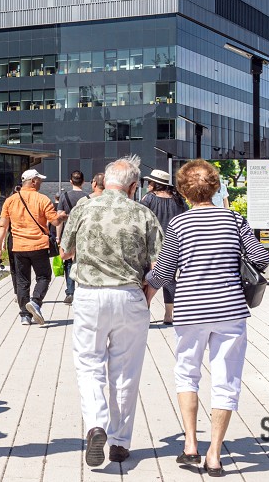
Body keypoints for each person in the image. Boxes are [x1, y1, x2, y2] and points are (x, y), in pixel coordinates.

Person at [146, 159, 269, 477]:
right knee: (226, 381)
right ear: (215, 187)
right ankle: (214, 454)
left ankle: (190, 444)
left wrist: (145, 296)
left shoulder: (179, 225)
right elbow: (260, 258)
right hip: (230, 311)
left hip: (190, 311)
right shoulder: (234, 219)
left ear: (185, 192)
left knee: (187, 374)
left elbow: (162, 272)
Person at [60, 156, 163, 467]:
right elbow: (159, 265)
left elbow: (65, 250)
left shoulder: (83, 208)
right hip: (130, 297)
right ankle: (119, 442)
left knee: (89, 365)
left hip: (90, 296)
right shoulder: (143, 213)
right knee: (125, 372)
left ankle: (95, 424)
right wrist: (148, 294)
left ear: (105, 182)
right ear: (133, 187)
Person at [0, 168, 63, 325]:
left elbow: (2, 226)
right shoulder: (43, 199)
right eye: (40, 180)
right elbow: (55, 222)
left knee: (22, 280)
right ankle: (36, 302)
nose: (41, 183)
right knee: (44, 276)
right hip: (38, 246)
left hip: (18, 247)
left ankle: (25, 315)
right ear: (33, 181)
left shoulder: (10, 201)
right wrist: (62, 217)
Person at [139, 168, 187, 324]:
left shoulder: (148, 199)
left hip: (151, 246)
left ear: (155, 183)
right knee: (170, 280)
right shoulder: (178, 200)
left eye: (149, 182)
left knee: (147, 278)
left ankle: (145, 308)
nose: (147, 185)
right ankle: (168, 315)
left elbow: (140, 220)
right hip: (174, 245)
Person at [56, 171, 90, 304]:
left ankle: (70, 292)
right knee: (83, 262)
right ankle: (83, 289)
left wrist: (58, 237)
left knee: (69, 262)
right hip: (83, 234)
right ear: (83, 181)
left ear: (70, 181)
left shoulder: (64, 197)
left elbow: (59, 218)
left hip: (68, 233)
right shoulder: (88, 198)